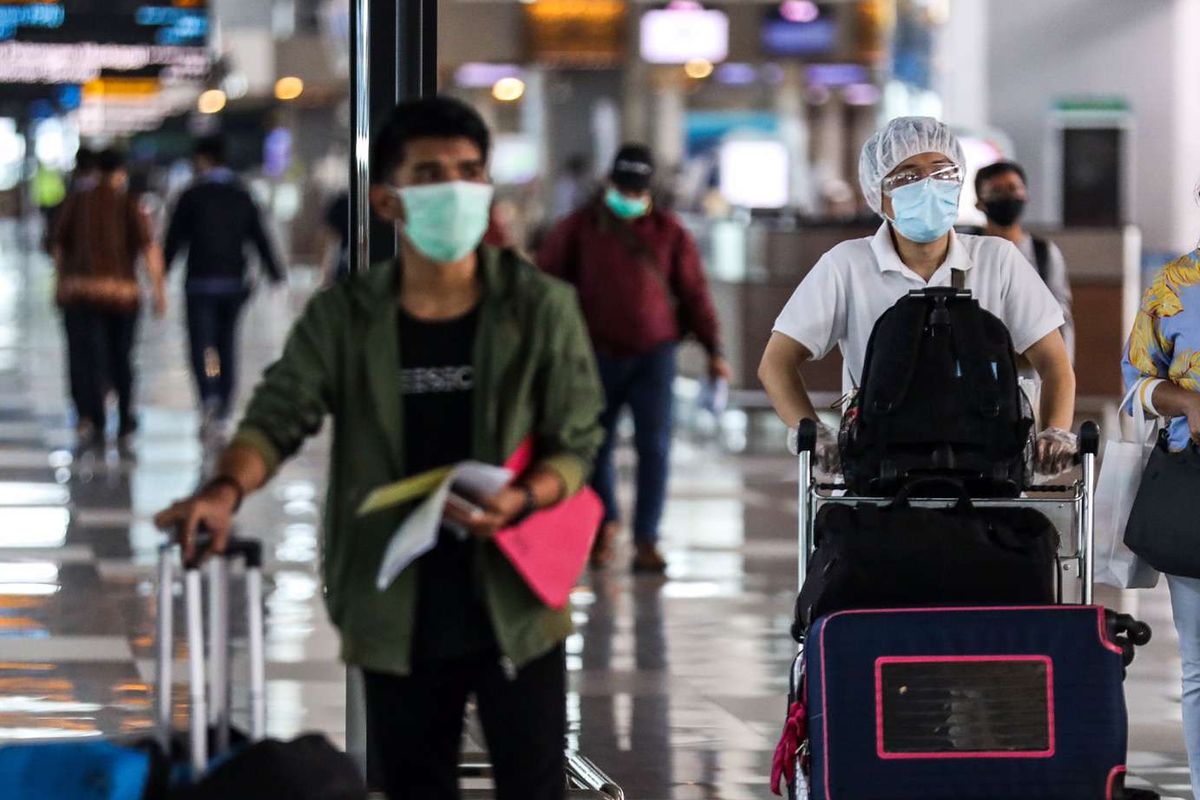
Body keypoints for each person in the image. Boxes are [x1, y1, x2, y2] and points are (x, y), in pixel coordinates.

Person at [153, 96, 604, 800]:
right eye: (430, 173)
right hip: (396, 601)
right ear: (389, 200)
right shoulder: (348, 317)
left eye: (469, 171)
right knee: (413, 785)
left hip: (517, 595)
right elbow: (278, 415)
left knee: (534, 785)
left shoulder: (539, 307)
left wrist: (524, 496)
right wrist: (223, 490)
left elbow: (577, 439)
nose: (454, 188)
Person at [758, 117, 1077, 477]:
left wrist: (1055, 432)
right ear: (878, 193)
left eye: (941, 173)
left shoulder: (997, 260)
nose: (928, 186)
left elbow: (1055, 364)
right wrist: (815, 433)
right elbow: (777, 362)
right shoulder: (846, 266)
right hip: (881, 466)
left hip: (988, 466)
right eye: (908, 177)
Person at [538, 143, 731, 574]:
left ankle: (647, 538)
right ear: (610, 183)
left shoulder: (669, 231)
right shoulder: (578, 228)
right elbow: (547, 290)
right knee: (593, 447)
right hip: (591, 358)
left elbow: (695, 293)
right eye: (623, 187)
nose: (628, 196)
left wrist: (714, 350)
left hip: (654, 357)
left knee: (655, 448)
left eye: (636, 189)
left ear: (649, 189)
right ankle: (604, 524)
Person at [1123, 248, 1200, 792]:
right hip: (1193, 486)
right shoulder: (1175, 283)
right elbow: (1135, 387)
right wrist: (1188, 403)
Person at [164, 136, 284, 442]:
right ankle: (225, 407)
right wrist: (274, 272)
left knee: (202, 345)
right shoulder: (241, 194)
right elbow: (259, 235)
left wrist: (160, 274)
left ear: (202, 159)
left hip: (200, 283)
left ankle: (209, 396)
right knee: (227, 343)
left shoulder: (190, 195)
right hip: (233, 283)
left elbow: (174, 239)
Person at [52, 148, 167, 454]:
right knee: (122, 357)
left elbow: (59, 249)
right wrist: (159, 292)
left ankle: (92, 416)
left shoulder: (77, 203)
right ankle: (125, 418)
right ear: (120, 172)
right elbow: (149, 250)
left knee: (85, 356)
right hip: (122, 296)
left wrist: (59, 283)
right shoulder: (129, 204)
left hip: (81, 293)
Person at [976, 160, 1075, 360]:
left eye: (1013, 188)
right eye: (996, 191)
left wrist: (1062, 373)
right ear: (979, 202)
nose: (1007, 196)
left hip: (1033, 376)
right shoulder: (971, 251)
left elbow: (1060, 317)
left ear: (1025, 194)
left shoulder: (1044, 254)